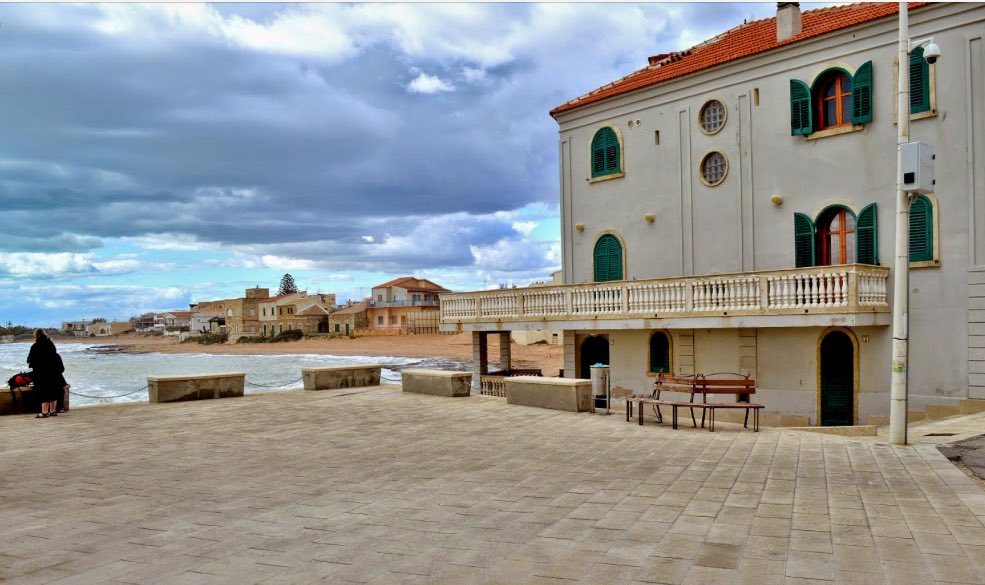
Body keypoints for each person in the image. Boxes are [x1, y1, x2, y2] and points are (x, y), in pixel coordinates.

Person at [27, 329, 64, 418]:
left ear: (36, 335)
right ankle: (53, 411)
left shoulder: (35, 346)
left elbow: (30, 360)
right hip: (53, 372)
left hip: (41, 373)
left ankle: (44, 412)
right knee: (53, 391)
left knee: (43, 392)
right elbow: (55, 356)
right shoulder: (51, 344)